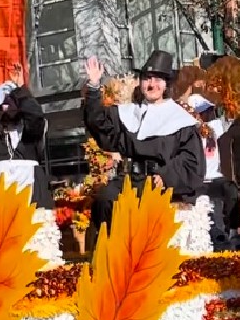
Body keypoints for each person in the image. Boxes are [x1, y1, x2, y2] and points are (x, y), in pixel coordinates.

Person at [82, 51, 205, 230]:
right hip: (131, 180)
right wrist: (94, 86)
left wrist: (166, 176)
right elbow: (98, 122)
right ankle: (112, 254)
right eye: (147, 79)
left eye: (157, 80)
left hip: (161, 183)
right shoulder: (128, 113)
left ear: (165, 85)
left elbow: (192, 161)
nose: (151, 84)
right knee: (104, 200)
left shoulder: (181, 120)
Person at [0, 64, 51, 208]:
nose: (6, 109)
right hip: (1, 197)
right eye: (2, 105)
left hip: (32, 190)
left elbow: (35, 115)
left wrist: (21, 90)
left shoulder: (30, 130)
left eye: (10, 104)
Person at [187, 94, 240, 250]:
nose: (209, 113)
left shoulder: (215, 126)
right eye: (205, 111)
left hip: (215, 177)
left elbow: (230, 117)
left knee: (231, 189)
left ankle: (233, 231)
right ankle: (213, 233)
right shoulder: (188, 131)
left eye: (210, 110)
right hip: (198, 179)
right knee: (200, 201)